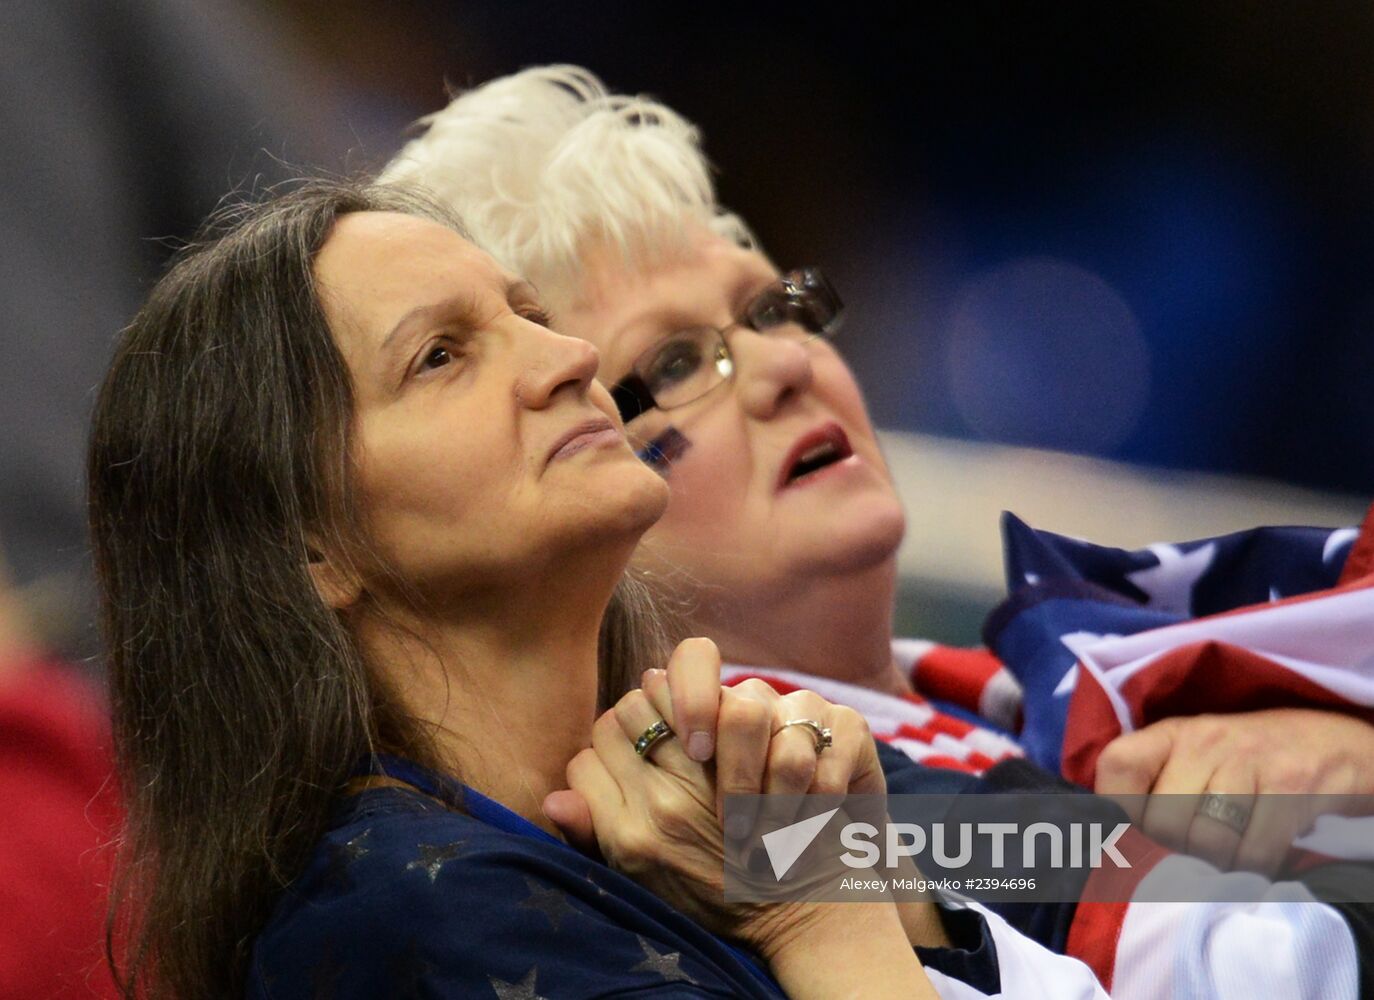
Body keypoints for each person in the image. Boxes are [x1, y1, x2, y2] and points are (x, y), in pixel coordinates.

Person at [379, 65, 1373, 995]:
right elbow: (1282, 972)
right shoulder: (780, 803)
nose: (783, 367)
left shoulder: (1036, 670)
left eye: (773, 309)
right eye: (676, 365)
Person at [87, 178, 1107, 998]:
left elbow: (1214, 875)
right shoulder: (419, 912)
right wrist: (826, 912)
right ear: (309, 550)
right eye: (442, 356)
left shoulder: (726, 800)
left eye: (772, 311)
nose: (568, 359)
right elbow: (1191, 891)